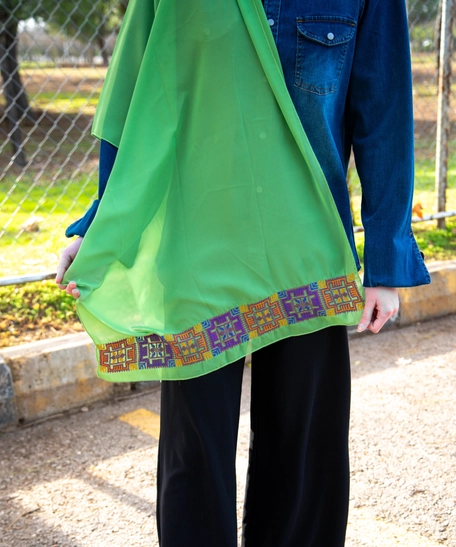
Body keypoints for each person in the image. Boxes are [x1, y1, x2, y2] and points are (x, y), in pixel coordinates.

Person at [56, 0, 430, 545]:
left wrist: (386, 259)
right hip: (195, 253)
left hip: (308, 255)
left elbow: (383, 108)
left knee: (302, 457)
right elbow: (134, 102)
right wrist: (98, 225)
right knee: (195, 456)